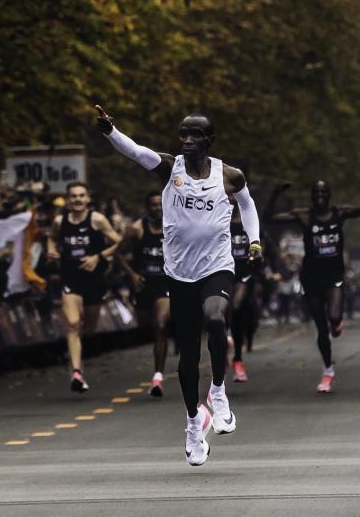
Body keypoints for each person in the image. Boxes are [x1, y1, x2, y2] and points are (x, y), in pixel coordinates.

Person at [96, 105, 261, 467]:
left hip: (216, 266)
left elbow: (247, 207)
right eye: (182, 134)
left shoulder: (229, 175)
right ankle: (192, 423)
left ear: (210, 140)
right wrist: (111, 131)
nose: (186, 140)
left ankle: (218, 392)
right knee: (187, 355)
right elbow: (136, 151)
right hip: (179, 273)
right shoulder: (170, 168)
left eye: (195, 135)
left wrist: (254, 241)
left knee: (216, 318)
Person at [264, 170, 360, 393]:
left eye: (324, 191)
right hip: (311, 277)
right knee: (321, 329)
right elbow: (269, 219)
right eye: (317, 192)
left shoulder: (340, 213)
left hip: (334, 275)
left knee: (333, 316)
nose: (320, 194)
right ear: (312, 196)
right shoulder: (304, 215)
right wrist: (275, 194)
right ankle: (328, 370)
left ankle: (337, 322)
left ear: (329, 195)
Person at [48, 181, 121, 393]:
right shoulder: (60, 222)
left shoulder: (97, 220)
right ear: (68, 200)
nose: (78, 200)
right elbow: (51, 239)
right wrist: (52, 251)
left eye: (81, 196)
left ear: (87, 198)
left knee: (87, 327)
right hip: (71, 279)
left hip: (94, 282)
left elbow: (120, 242)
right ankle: (76, 372)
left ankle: (76, 355)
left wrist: (98, 257)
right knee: (72, 324)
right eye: (73, 196)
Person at [115, 192, 171, 397]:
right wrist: (132, 274)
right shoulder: (136, 229)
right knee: (147, 326)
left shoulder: (174, 226)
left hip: (165, 283)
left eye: (160, 205)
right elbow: (118, 252)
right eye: (153, 205)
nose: (157, 208)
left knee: (161, 325)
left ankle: (158, 376)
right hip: (143, 284)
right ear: (147, 208)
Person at [228, 197, 258, 382]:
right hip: (220, 272)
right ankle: (224, 342)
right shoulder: (216, 219)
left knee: (237, 309)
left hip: (244, 276)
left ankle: (238, 359)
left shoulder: (249, 221)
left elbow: (263, 245)